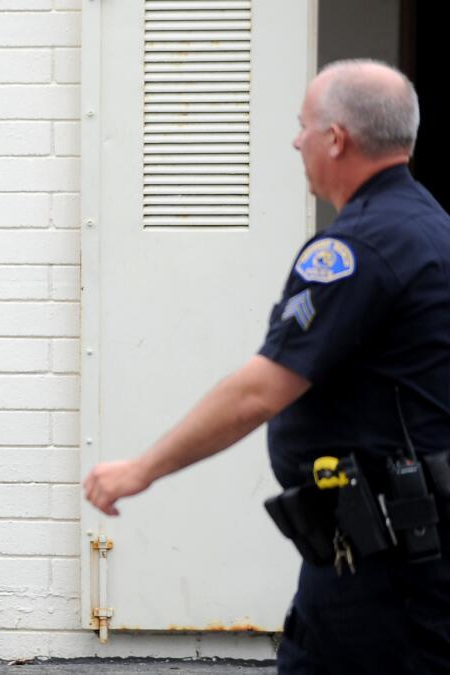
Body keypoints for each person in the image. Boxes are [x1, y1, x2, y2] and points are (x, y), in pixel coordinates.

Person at [84, 59, 450, 672]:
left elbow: (258, 392)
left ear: (337, 139)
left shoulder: (356, 248)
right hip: (410, 552)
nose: (295, 140)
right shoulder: (429, 225)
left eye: (303, 126)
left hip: (382, 574)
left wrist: (141, 469)